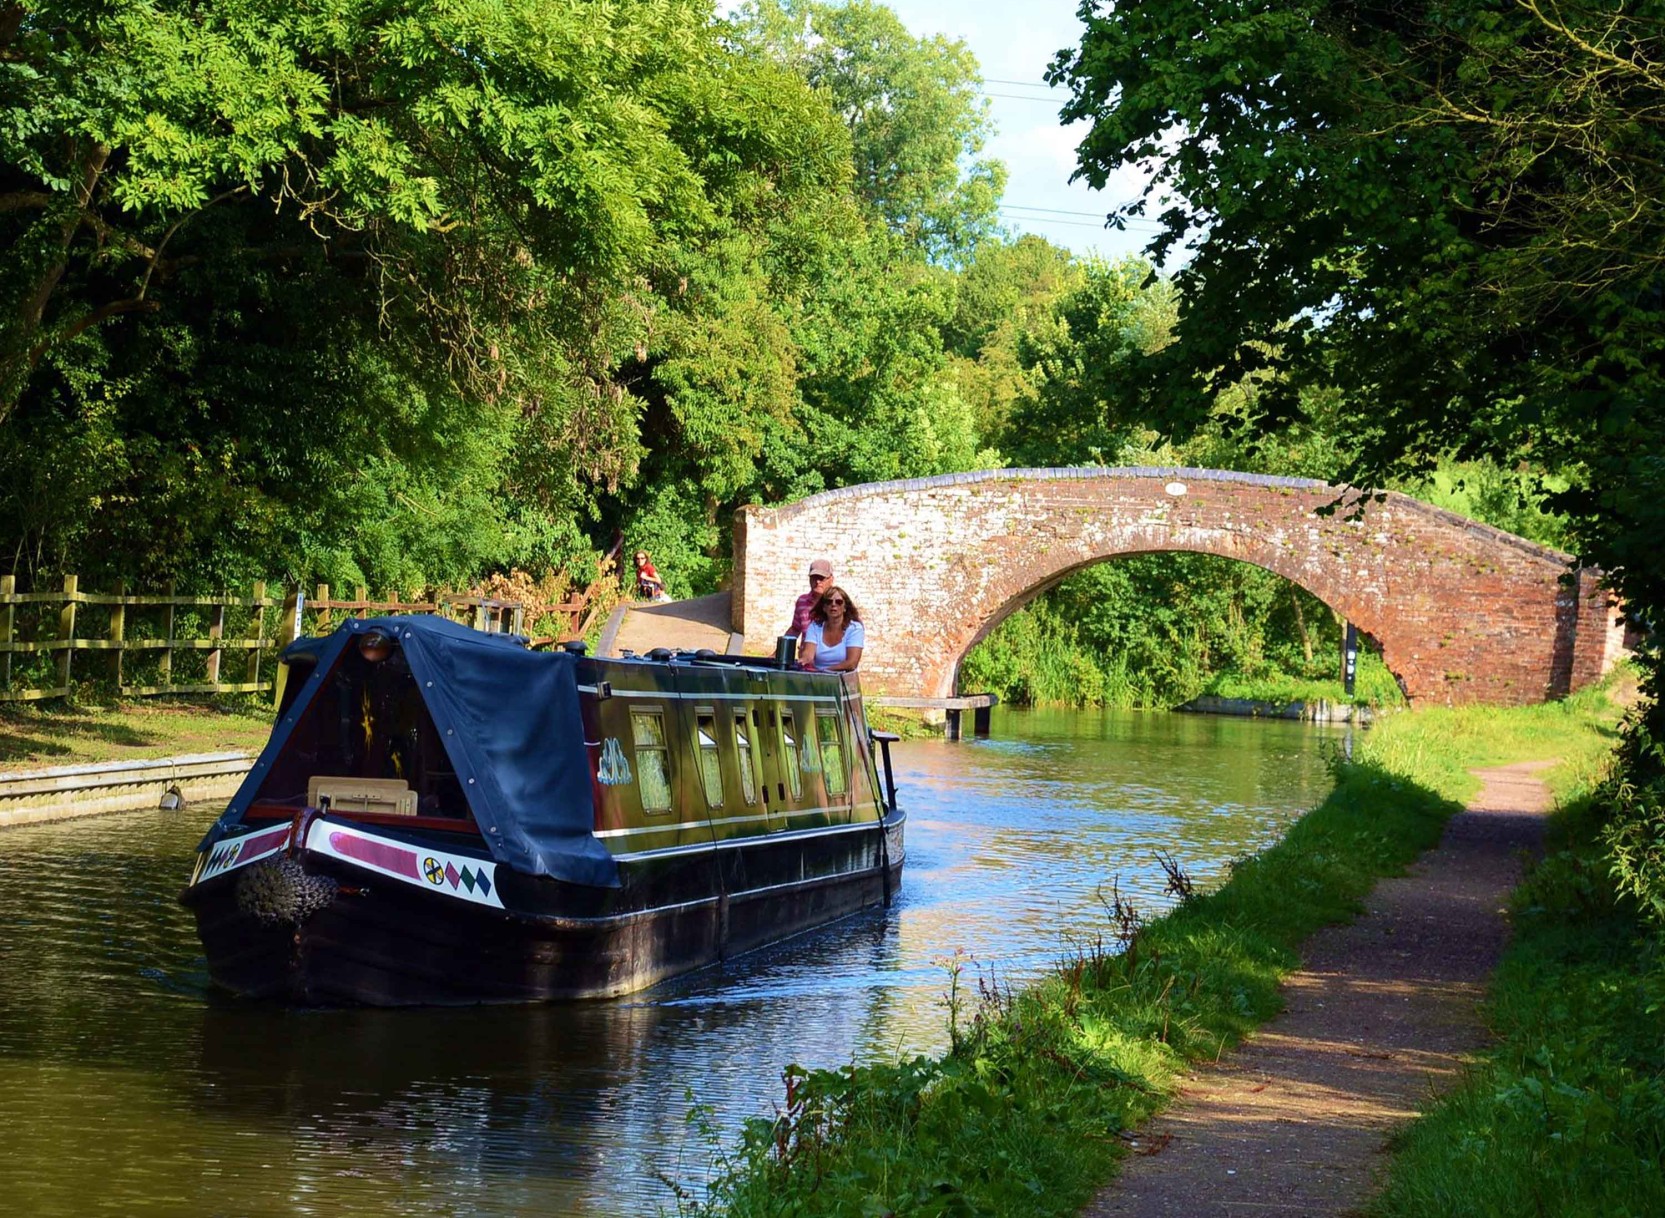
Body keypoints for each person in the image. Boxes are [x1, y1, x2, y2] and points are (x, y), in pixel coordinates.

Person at [797, 585, 864, 672]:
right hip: (820, 677)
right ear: (824, 607)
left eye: (839, 602)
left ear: (845, 608)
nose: (833, 604)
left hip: (844, 678)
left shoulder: (855, 628)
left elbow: (852, 663)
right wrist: (803, 660)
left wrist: (825, 671)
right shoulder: (815, 627)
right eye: (829, 602)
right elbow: (808, 656)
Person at [784, 558, 833, 638]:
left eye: (822, 578)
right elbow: (795, 629)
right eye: (814, 577)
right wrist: (782, 645)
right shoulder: (802, 601)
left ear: (831, 579)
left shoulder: (837, 603)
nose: (817, 582)